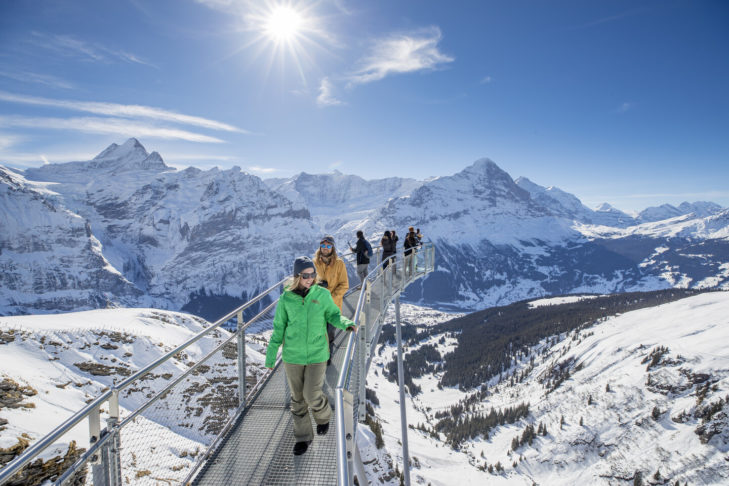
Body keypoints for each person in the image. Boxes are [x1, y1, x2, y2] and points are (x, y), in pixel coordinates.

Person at [265, 256, 356, 456]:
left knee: (312, 394)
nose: (310, 278)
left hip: (317, 353)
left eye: (312, 274)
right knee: (297, 399)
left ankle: (324, 417)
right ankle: (303, 438)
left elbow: (333, 314)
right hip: (293, 356)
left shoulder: (322, 294)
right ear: (297, 276)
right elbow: (279, 328)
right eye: (305, 275)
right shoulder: (286, 299)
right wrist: (271, 357)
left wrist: (345, 323)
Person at [313, 235, 349, 365]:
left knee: (330, 333)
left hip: (333, 306)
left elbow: (344, 285)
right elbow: (308, 282)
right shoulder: (314, 263)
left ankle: (327, 357)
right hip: (317, 305)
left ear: (332, 248)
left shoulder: (339, 264)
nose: (325, 248)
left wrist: (330, 297)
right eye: (323, 245)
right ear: (320, 247)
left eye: (328, 246)